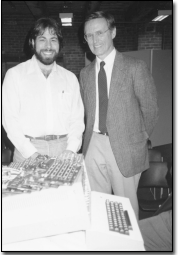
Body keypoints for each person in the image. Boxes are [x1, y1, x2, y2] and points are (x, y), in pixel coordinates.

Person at [79, 11, 158, 219]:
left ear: (113, 32)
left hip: (126, 146)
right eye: (89, 35)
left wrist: (137, 140)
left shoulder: (135, 67)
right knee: (96, 206)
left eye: (99, 33)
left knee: (126, 210)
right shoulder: (85, 74)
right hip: (93, 144)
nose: (94, 40)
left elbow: (150, 110)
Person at [2, 17, 84, 162]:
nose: (48, 46)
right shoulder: (15, 75)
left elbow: (77, 120)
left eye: (53, 39)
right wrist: (32, 153)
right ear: (33, 42)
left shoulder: (70, 78)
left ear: (59, 44)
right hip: (26, 151)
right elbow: (9, 120)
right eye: (42, 39)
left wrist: (71, 149)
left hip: (64, 151)